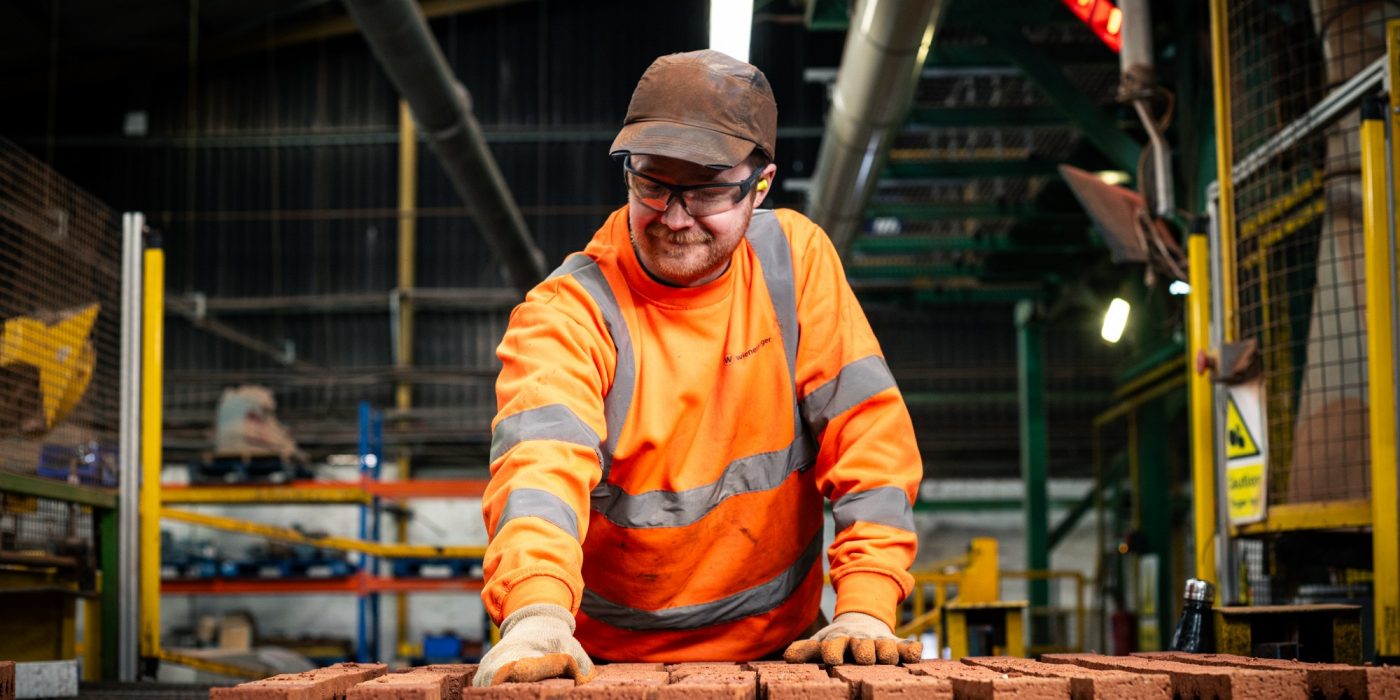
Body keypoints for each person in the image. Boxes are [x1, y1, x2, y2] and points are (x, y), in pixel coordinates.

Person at [474, 49, 923, 687]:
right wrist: (538, 613)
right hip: (603, 670)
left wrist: (866, 609)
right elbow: (538, 469)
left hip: (781, 659)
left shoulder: (794, 267)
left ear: (760, 185)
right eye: (653, 185)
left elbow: (869, 443)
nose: (676, 217)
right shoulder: (569, 312)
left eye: (709, 189)